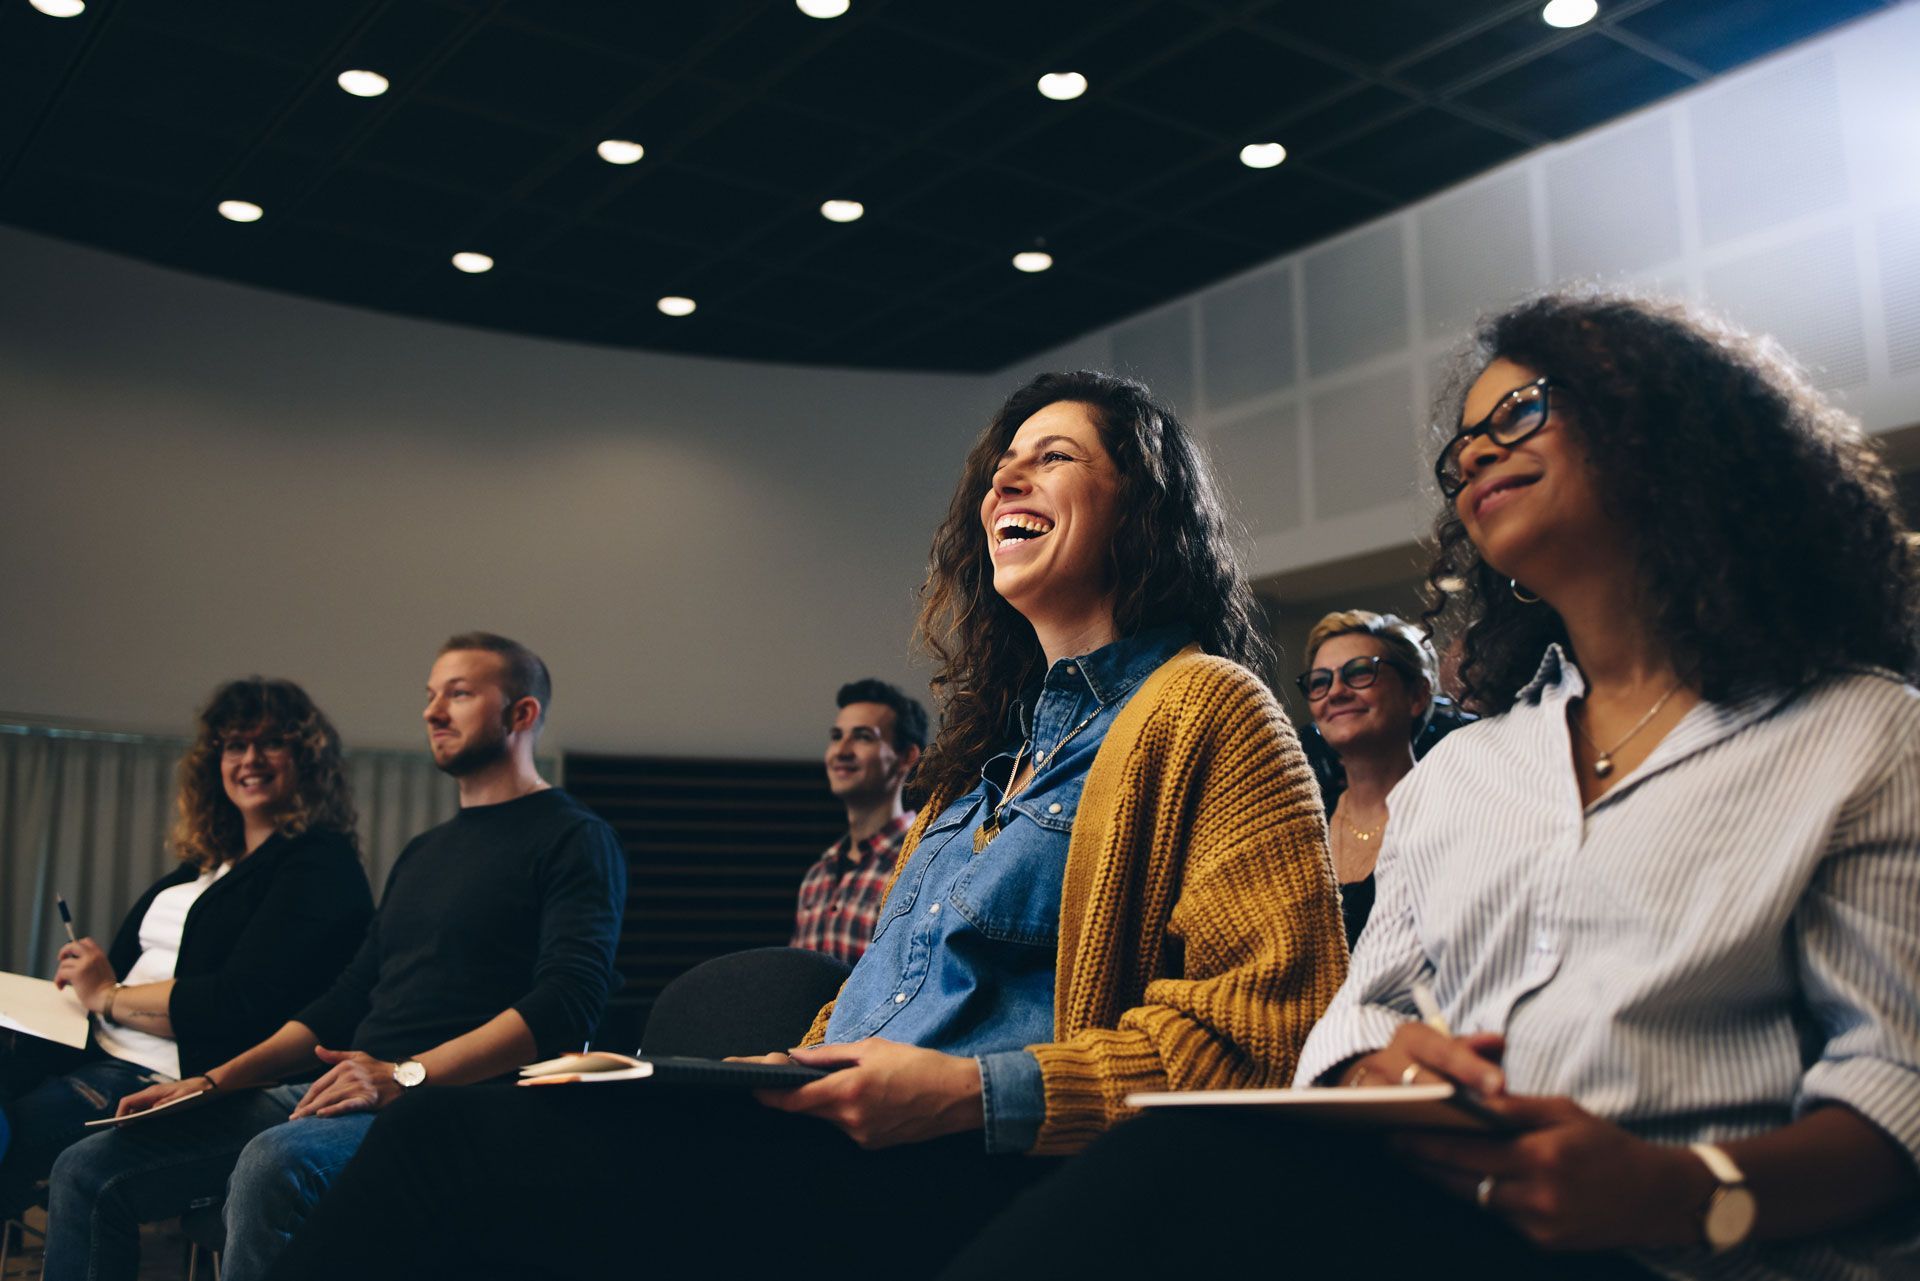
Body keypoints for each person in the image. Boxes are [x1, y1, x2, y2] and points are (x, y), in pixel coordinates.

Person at [260, 370, 1348, 1280]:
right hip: (832, 1132)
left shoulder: (1209, 708)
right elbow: (903, 993)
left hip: (976, 1173)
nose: (1006, 475)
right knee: (483, 1145)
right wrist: (784, 1061)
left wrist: (969, 1095)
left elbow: (1268, 1044)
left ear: (1143, 504)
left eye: (1054, 455)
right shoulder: (979, 762)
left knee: (442, 1147)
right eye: (1002, 462)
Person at [936, 291, 1920, 1280]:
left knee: (1179, 1167)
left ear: (1669, 428)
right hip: (1446, 1216)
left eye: (1520, 413)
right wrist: (1380, 1067)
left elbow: (1895, 1082)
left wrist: (1682, 1187)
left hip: (1696, 1253)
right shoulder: (1463, 772)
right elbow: (1358, 1019)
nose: (1478, 456)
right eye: (1463, 450)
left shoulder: (1862, 732)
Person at [42, 633, 627, 1281]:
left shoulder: (575, 837)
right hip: (350, 1090)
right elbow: (347, 998)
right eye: (430, 695)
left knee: (275, 1160)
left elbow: (566, 1004)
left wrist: (405, 1075)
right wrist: (213, 1081)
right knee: (89, 1166)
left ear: (521, 713)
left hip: (462, 1104)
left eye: (458, 693)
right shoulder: (425, 851)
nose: (433, 711)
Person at [0, 679, 370, 1220]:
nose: (250, 759)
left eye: (271, 743)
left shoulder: (319, 866)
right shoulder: (200, 869)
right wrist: (87, 985)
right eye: (235, 745)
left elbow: (236, 1004)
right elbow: (118, 973)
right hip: (88, 1049)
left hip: (148, 1075)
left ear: (307, 760)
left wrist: (106, 994)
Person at [1295, 610, 1440, 946]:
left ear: (1416, 695)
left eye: (1360, 673)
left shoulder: (1453, 809)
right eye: (1319, 681)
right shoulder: (1303, 827)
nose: (1336, 692)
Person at [790, 678, 928, 965]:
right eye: (837, 736)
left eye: (863, 736)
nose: (841, 751)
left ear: (907, 757)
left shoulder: (922, 862)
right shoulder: (817, 876)